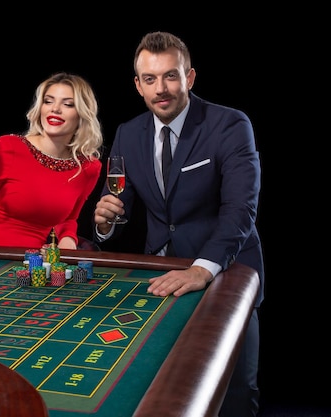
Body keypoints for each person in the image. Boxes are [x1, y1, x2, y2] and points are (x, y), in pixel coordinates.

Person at [93, 32, 264, 417]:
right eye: (150, 79)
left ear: (189, 78)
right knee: (165, 394)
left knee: (235, 392)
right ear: (138, 85)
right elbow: (118, 208)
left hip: (226, 273)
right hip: (161, 280)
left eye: (170, 76)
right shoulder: (128, 132)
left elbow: (241, 209)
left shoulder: (230, 124)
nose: (161, 89)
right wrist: (105, 222)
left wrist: (202, 269)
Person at [0, 72, 103, 249]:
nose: (55, 109)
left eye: (68, 104)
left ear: (82, 114)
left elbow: (69, 218)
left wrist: (68, 240)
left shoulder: (89, 167)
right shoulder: (9, 146)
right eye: (48, 101)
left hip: (32, 264)